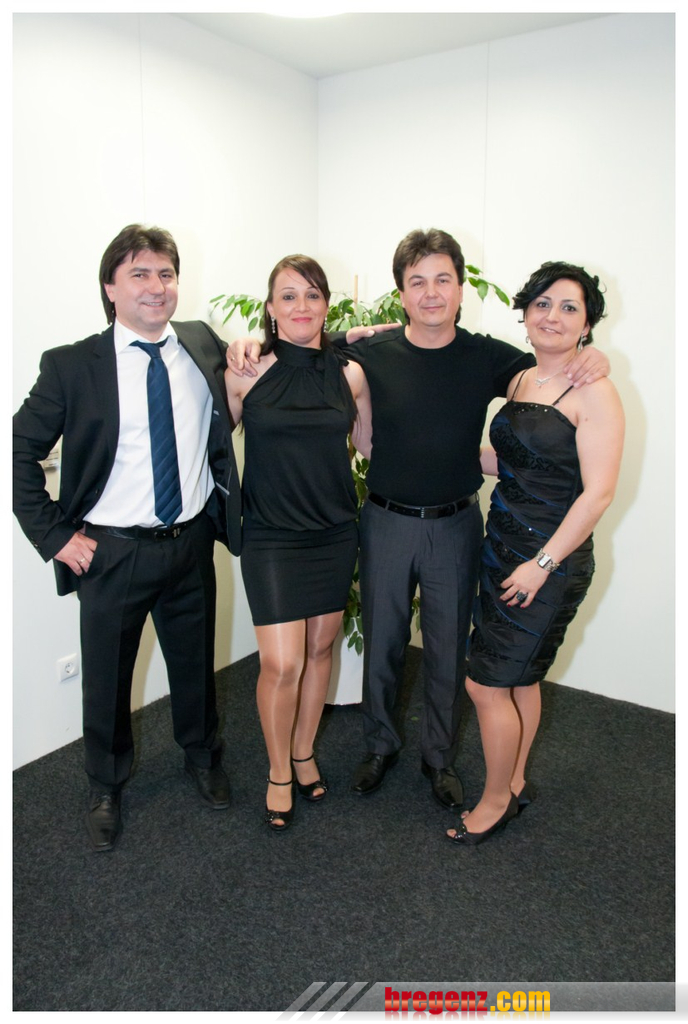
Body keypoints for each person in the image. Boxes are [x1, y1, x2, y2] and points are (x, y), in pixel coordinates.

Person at [226, 229, 609, 811]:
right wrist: (251, 340)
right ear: (402, 293)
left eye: (443, 280)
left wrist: (591, 356)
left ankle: (439, 756)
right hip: (384, 520)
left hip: (455, 524)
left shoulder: (489, 356)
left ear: (460, 288)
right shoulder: (371, 354)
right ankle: (379, 746)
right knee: (382, 643)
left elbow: (546, 374)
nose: (431, 293)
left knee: (446, 648)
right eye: (417, 282)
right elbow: (310, 351)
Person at [13, 224, 241, 852]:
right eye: (139, 273)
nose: (156, 286)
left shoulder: (201, 344)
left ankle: (203, 757)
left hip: (190, 542)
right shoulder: (71, 366)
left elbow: (265, 367)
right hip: (111, 553)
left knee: (195, 664)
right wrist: (56, 536)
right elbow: (19, 452)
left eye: (166, 273)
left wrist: (343, 341)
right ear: (110, 287)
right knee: (108, 678)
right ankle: (106, 784)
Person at [446, 261, 624, 846]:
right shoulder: (522, 379)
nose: (553, 316)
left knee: (485, 685)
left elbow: (598, 494)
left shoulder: (594, 390)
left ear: (587, 324)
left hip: (548, 562)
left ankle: (495, 800)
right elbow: (514, 461)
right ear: (524, 314)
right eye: (543, 303)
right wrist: (438, 449)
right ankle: (515, 781)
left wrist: (541, 565)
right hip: (503, 549)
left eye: (570, 307)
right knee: (519, 681)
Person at [224, 255, 372, 831]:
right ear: (270, 308)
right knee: (281, 662)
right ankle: (278, 769)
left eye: (312, 295)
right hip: (270, 535)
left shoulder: (351, 374)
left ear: (327, 305)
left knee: (318, 649)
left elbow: (372, 446)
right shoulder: (245, 372)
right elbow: (204, 445)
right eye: (288, 296)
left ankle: (305, 750)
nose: (301, 306)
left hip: (334, 531)